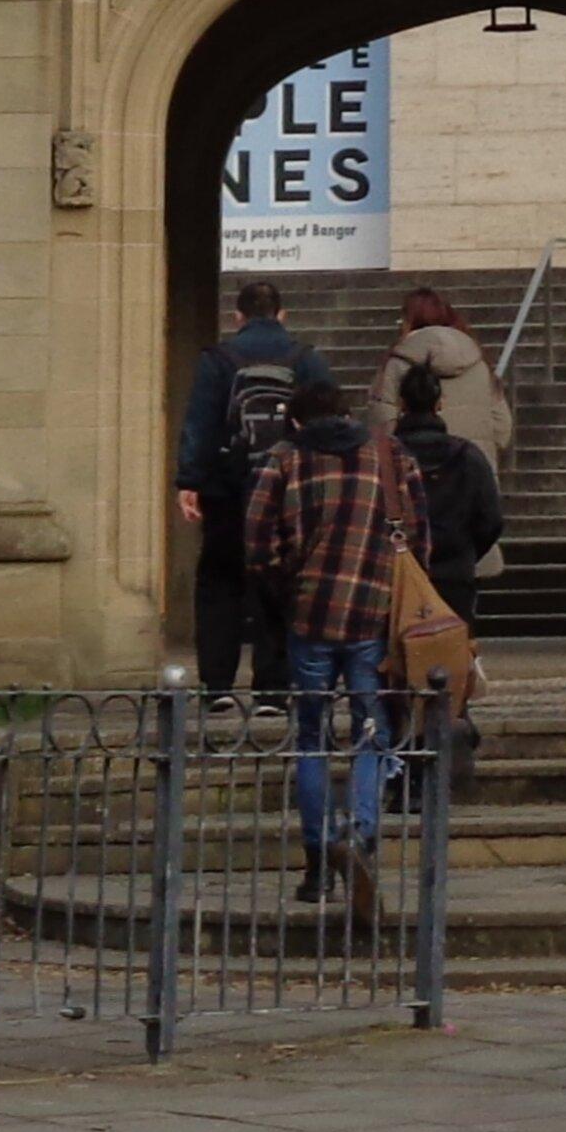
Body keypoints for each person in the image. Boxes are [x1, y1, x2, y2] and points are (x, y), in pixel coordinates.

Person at [241, 366, 426, 920]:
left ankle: (320, 862)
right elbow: (417, 535)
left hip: (310, 614)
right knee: (373, 729)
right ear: (345, 411)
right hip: (372, 613)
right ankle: (364, 839)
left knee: (312, 736)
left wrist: (287, 584)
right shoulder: (389, 456)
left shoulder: (285, 458)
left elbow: (256, 541)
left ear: (296, 418)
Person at [170, 278, 308, 694]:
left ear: (238, 317)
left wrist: (189, 480)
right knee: (279, 581)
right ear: (282, 315)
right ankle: (273, 685)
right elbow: (326, 416)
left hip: (227, 489)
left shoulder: (219, 359)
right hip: (287, 490)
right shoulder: (303, 358)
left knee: (219, 582)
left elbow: (200, 423)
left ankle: (217, 684)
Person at [391, 359, 505, 634]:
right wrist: (467, 550)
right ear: (439, 403)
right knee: (453, 651)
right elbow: (491, 518)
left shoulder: (384, 457)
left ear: (401, 404)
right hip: (455, 567)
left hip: (398, 570)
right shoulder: (467, 455)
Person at [366, 287, 514, 474]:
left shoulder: (397, 365)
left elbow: (382, 428)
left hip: (416, 478)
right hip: (474, 476)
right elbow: (502, 430)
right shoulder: (480, 364)